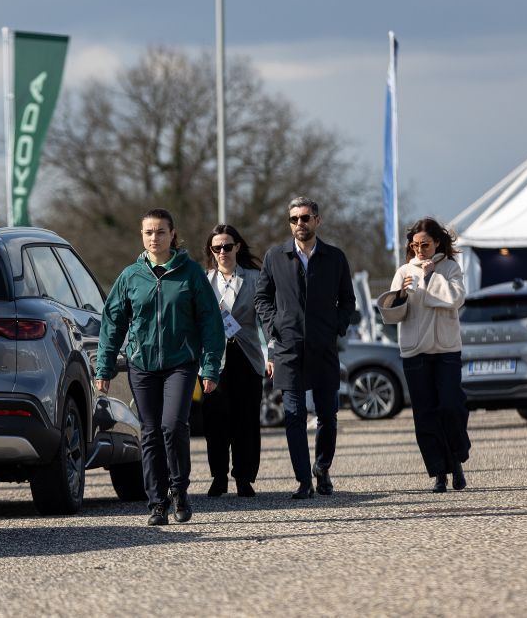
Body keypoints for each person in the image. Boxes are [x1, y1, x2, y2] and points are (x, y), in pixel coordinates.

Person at [95, 208, 225, 526]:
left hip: (181, 363)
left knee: (173, 426)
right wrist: (104, 368)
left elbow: (210, 322)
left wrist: (210, 368)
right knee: (150, 432)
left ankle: (179, 490)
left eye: (161, 231)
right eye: (149, 232)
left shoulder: (190, 273)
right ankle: (157, 503)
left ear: (172, 234)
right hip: (142, 365)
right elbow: (112, 324)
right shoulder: (130, 276)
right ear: (142, 236)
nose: (155, 237)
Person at [254, 197, 355, 499]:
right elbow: (262, 298)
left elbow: (347, 300)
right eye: (294, 219)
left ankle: (322, 468)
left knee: (327, 415)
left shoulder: (335, 257)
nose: (300, 223)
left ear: (317, 220)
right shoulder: (275, 256)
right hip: (288, 348)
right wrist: (275, 326)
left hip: (323, 348)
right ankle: (303, 480)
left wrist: (335, 327)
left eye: (305, 218)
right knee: (294, 416)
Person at [377, 217, 469, 493]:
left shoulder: (450, 268)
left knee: (451, 406)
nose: (419, 250)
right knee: (425, 414)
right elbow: (392, 315)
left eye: (425, 244)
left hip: (446, 349)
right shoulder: (404, 270)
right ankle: (439, 472)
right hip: (415, 351)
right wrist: (400, 295)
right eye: (415, 245)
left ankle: (457, 459)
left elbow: (456, 299)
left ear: (437, 242)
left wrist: (431, 277)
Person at [200, 224, 267, 498]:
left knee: (246, 420)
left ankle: (244, 477)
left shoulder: (254, 278)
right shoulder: (204, 280)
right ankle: (218, 476)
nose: (222, 252)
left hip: (247, 355)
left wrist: (272, 353)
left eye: (227, 246)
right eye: (217, 247)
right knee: (215, 420)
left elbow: (265, 318)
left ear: (237, 247)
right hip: (214, 359)